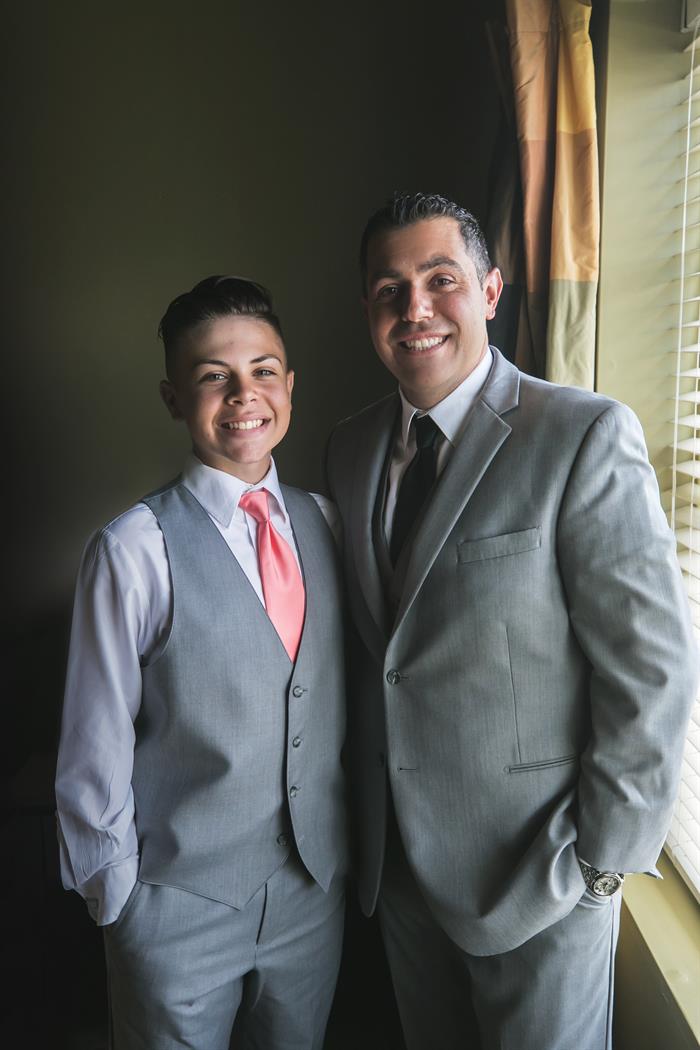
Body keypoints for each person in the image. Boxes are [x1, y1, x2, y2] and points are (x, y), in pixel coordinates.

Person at [325, 192, 698, 1050]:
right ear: (369, 311)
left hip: (543, 882)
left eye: (440, 279)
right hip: (402, 880)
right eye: (389, 289)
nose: (413, 309)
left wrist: (599, 868)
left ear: (491, 291)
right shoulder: (347, 450)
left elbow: (652, 673)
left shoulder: (582, 435)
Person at [56, 276, 347, 1050]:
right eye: (213, 376)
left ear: (289, 385)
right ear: (174, 397)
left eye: (262, 371)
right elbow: (94, 745)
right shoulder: (133, 549)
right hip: (175, 910)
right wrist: (120, 906)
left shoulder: (326, 523)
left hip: (310, 902)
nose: (242, 394)